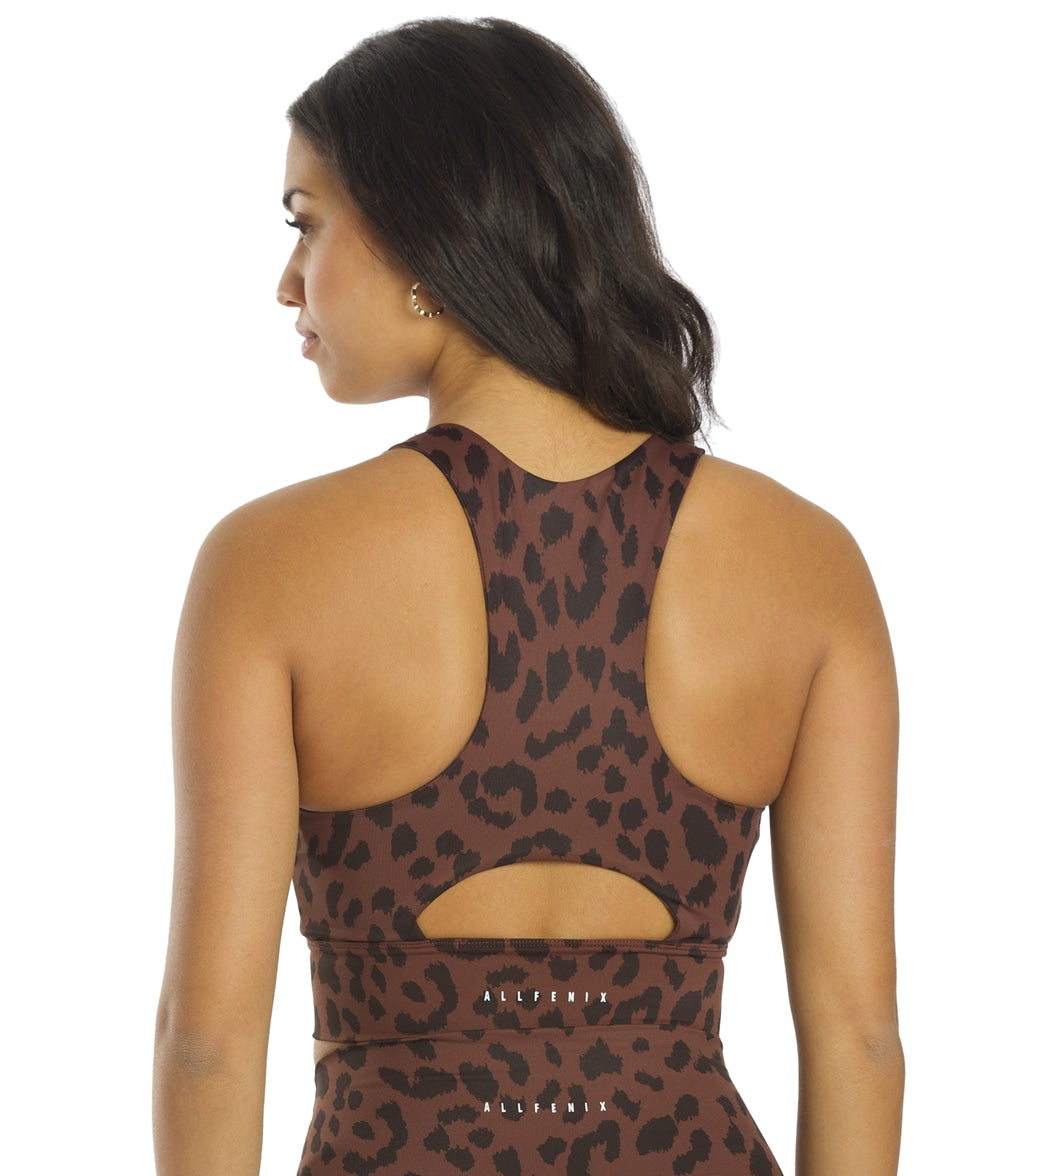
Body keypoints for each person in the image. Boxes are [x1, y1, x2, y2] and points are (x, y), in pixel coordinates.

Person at [152, 17, 903, 1176]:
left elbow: (207, 1046)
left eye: (307, 222)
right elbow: (859, 1040)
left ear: (423, 230)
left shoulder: (270, 565)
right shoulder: (808, 564)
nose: (287, 281)